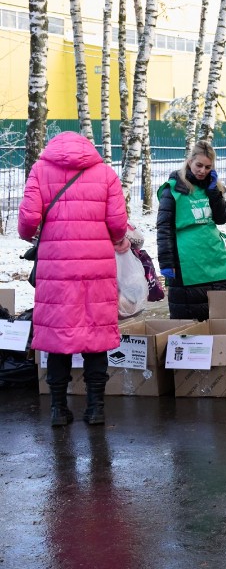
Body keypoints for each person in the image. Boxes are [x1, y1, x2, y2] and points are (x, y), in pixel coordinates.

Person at [18, 131, 128, 426]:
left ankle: (58, 409)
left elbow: (28, 221)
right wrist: (117, 238)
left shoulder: (40, 170)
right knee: (96, 334)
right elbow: (118, 223)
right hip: (96, 267)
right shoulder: (105, 173)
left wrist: (32, 235)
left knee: (58, 336)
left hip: (56, 267)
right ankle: (95, 408)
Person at [157, 141, 226, 321]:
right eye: (199, 165)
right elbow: (164, 227)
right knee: (192, 315)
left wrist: (214, 193)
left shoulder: (210, 186)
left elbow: (223, 218)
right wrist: (166, 261)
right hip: (187, 259)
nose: (202, 170)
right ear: (190, 161)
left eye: (207, 167)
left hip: (214, 254)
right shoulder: (173, 188)